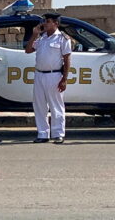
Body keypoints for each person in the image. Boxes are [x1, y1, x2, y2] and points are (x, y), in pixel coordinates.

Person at [25, 13, 72, 144]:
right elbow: (28, 50)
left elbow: (67, 59)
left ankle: (58, 133)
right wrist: (34, 34)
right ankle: (42, 133)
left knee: (56, 105)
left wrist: (64, 78)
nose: (45, 23)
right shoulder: (41, 38)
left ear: (56, 23)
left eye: (48, 21)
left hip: (54, 75)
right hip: (39, 74)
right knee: (39, 106)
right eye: (44, 21)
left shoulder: (62, 38)